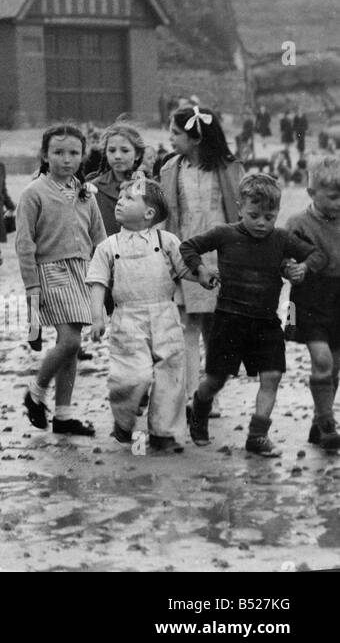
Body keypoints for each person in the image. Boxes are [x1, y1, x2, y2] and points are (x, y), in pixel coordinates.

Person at [183, 174, 323, 456]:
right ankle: (198, 408)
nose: (262, 223)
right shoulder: (224, 233)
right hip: (228, 321)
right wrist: (201, 271)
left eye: (269, 217)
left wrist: (303, 268)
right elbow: (188, 246)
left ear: (278, 213)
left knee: (272, 376)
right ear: (240, 209)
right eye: (254, 215)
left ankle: (257, 436)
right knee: (216, 379)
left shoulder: (282, 239)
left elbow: (317, 255)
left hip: (266, 322)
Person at [87, 178, 189, 454]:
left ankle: (163, 432)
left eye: (129, 198)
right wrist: (97, 317)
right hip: (127, 317)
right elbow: (98, 283)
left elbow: (185, 270)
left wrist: (204, 276)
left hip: (165, 313)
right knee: (132, 376)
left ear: (149, 213)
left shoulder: (167, 241)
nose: (120, 201)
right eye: (120, 196)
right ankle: (123, 418)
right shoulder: (108, 246)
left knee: (170, 373)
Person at [19, 124, 107, 436]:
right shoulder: (34, 193)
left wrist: (104, 276)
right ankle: (36, 392)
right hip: (50, 271)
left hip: (82, 271)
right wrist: (32, 286)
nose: (66, 159)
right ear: (45, 154)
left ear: (83, 156)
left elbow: (99, 237)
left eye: (73, 153)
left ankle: (63, 414)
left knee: (71, 345)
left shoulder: (86, 193)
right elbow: (24, 243)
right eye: (58, 152)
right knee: (69, 341)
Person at [159, 105, 244, 404]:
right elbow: (165, 215)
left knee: (216, 327)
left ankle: (211, 395)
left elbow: (242, 212)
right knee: (190, 323)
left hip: (223, 256)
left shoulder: (230, 168)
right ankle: (192, 393)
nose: (170, 138)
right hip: (187, 254)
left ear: (195, 138)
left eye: (175, 133)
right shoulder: (170, 169)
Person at [284, 155, 340, 451]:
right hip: (308, 299)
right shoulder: (298, 224)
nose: (339, 202)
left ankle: (320, 422)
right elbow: (283, 258)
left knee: (334, 366)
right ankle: (328, 422)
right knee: (321, 359)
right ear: (311, 193)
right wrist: (291, 268)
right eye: (333, 196)